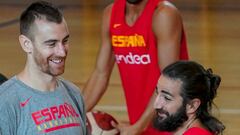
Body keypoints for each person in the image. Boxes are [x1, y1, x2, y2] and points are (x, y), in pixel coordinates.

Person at [83, 0, 188, 134]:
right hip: (142, 124)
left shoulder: (163, 14)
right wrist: (72, 117)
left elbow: (169, 83)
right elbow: (100, 74)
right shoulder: (111, 14)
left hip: (174, 127)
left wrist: (139, 126)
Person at [0, 1, 87, 134]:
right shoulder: (6, 101)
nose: (62, 52)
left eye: (65, 41)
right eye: (51, 44)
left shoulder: (74, 94)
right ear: (26, 44)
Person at [153, 61, 225, 135]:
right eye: (157, 93)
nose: (156, 105)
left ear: (192, 106)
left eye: (167, 98)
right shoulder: (173, 127)